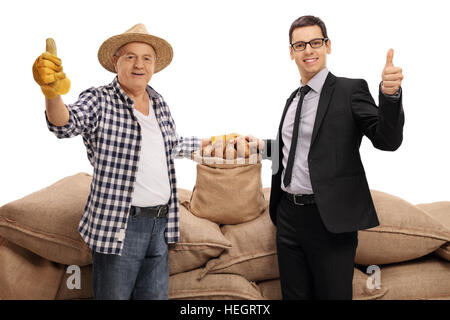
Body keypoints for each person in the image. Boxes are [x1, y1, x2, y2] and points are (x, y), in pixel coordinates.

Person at [32, 23, 210, 299]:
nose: (139, 64)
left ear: (154, 65)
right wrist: (51, 93)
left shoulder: (158, 102)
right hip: (121, 227)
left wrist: (214, 144)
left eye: (146, 58)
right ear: (116, 62)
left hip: (161, 224)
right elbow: (64, 123)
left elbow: (172, 144)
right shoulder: (99, 99)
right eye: (130, 57)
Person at [261, 15, 404, 299]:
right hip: (288, 216)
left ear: (328, 46)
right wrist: (259, 147)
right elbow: (296, 150)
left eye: (315, 42)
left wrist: (390, 95)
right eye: (300, 45)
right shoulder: (292, 99)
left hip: (329, 219)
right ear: (291, 52)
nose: (308, 50)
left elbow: (387, 141)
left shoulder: (350, 90)